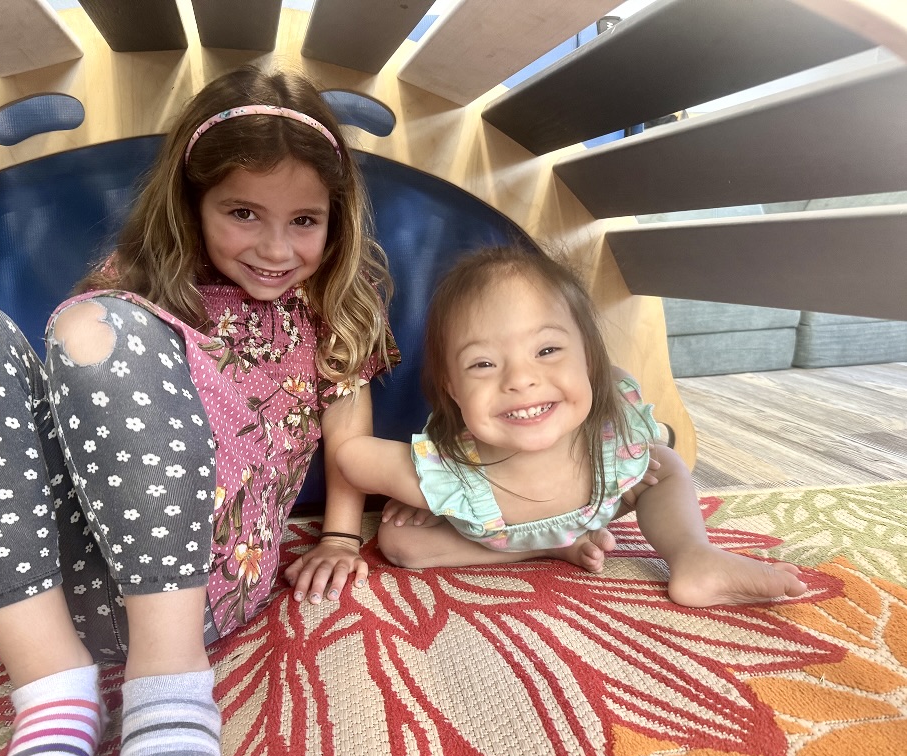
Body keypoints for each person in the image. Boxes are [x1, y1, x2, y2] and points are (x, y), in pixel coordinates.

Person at [0, 65, 398, 756]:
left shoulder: (328, 307)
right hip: (38, 598)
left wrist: (341, 533)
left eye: (304, 221)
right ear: (192, 204)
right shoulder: (135, 283)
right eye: (243, 213)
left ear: (334, 219)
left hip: (199, 589)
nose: (277, 249)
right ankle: (55, 696)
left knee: (103, 327)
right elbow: (82, 425)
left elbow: (351, 437)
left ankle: (169, 692)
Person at [337, 246, 808, 608]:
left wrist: (644, 449)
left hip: (596, 505)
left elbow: (653, 431)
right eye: (482, 363)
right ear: (452, 389)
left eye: (547, 351)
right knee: (399, 541)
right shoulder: (453, 472)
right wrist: (427, 492)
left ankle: (692, 556)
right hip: (493, 537)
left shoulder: (610, 430)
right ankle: (545, 550)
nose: (521, 379)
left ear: (589, 357)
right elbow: (351, 455)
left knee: (661, 465)